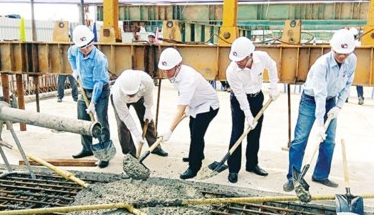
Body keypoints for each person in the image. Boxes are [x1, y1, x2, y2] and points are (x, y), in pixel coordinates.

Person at [283, 29, 357, 191]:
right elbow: (319, 94)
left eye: (346, 53)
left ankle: (320, 175)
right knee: (300, 139)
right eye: (339, 53)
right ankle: (293, 178)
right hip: (311, 100)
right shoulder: (322, 65)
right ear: (332, 48)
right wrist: (319, 124)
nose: (342, 57)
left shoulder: (352, 60)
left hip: (332, 101)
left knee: (329, 141)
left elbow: (347, 84)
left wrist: (338, 106)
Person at [158, 47, 219, 179]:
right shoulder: (176, 74)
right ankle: (198, 154)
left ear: (177, 66)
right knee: (193, 129)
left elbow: (179, 108)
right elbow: (182, 98)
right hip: (195, 104)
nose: (166, 72)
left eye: (168, 69)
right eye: (164, 69)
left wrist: (169, 130)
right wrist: (187, 108)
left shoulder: (187, 78)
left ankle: (194, 166)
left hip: (208, 105)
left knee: (197, 134)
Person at [225, 37, 280, 183]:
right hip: (239, 100)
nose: (238, 62)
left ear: (250, 55)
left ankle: (252, 164)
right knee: (237, 132)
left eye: (241, 59)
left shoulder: (261, 57)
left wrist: (274, 86)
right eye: (236, 59)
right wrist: (248, 115)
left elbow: (272, 66)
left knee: (255, 132)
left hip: (257, 98)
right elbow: (240, 95)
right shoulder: (231, 71)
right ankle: (233, 169)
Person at [69, 24, 112, 168]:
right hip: (84, 89)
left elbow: (99, 83)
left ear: (92, 42)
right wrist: (74, 69)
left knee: (100, 121)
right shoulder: (76, 50)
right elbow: (70, 54)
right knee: (82, 119)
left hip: (101, 91)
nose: (86, 49)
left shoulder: (99, 59)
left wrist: (93, 103)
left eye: (88, 46)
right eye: (83, 47)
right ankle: (87, 148)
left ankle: (104, 153)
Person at [111, 69, 167, 158]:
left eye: (133, 93)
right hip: (122, 101)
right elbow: (125, 116)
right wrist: (137, 135)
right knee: (122, 125)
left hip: (140, 97)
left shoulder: (147, 81)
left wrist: (148, 109)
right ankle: (130, 153)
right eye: (129, 94)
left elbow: (149, 97)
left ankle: (154, 147)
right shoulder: (117, 94)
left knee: (148, 121)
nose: (131, 96)